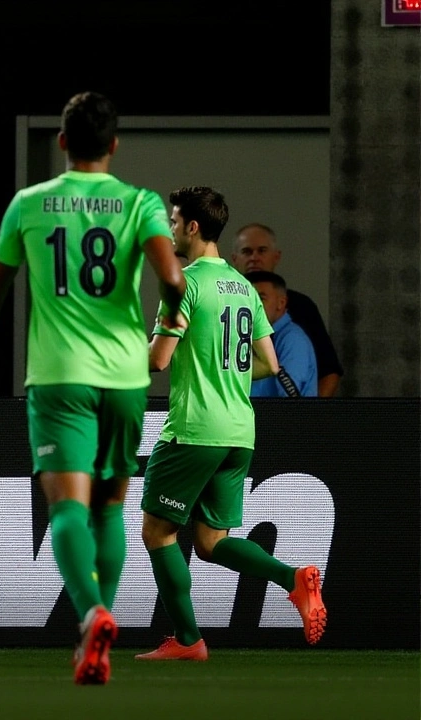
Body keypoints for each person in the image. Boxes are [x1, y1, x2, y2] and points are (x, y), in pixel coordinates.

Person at [0, 91, 186, 685]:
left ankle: (91, 614)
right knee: (110, 507)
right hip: (125, 378)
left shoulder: (30, 204)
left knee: (66, 508)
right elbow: (173, 279)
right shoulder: (140, 204)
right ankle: (97, 633)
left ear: (61, 142)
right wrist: (168, 320)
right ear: (113, 145)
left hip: (59, 378)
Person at [139, 186, 327, 661]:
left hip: (194, 429)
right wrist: (223, 369)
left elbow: (158, 360)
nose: (171, 228)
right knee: (209, 541)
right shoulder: (243, 287)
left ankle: (187, 641)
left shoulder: (183, 283)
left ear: (193, 227)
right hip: (239, 432)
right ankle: (292, 578)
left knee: (157, 533)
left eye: (175, 221)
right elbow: (268, 363)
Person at [231, 224, 343, 396]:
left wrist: (311, 419)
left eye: (262, 251)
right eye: (247, 252)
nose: (254, 258)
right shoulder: (223, 307)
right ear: (234, 259)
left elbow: (327, 373)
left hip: (280, 420)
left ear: (282, 304)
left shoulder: (295, 328)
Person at [245, 270, 317, 397]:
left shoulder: (293, 339)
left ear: (281, 303)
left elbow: (289, 398)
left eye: (260, 298)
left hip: (280, 416)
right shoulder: (247, 335)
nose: (252, 305)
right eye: (247, 299)